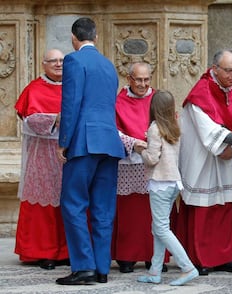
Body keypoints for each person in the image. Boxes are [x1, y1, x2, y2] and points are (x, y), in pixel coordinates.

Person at [177, 49, 232, 276]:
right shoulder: (200, 94)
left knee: (226, 207)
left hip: (228, 155)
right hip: (204, 160)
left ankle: (225, 257)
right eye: (229, 70)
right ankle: (201, 258)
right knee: (204, 209)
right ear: (215, 69)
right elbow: (207, 129)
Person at [56, 17, 125, 285]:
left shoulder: (74, 60)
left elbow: (71, 103)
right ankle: (101, 268)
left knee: (73, 204)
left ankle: (83, 267)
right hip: (109, 141)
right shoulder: (109, 65)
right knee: (103, 208)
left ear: (74, 38)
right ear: (95, 38)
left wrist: (64, 141)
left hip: (84, 141)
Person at [136, 90, 199, 286]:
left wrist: (140, 150)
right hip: (173, 182)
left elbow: (152, 158)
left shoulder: (155, 128)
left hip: (160, 183)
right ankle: (155, 271)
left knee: (161, 229)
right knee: (159, 228)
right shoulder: (175, 125)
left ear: (154, 107)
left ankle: (187, 267)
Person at [14, 49, 69, 270]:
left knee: (68, 204)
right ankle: (44, 252)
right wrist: (54, 119)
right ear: (43, 64)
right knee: (43, 206)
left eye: (62, 61)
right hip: (42, 156)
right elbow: (28, 119)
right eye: (53, 61)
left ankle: (66, 251)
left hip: (68, 155)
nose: (58, 64)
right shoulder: (34, 88)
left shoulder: (73, 86)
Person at [111, 62, 168, 273]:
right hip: (128, 163)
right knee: (129, 212)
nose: (143, 84)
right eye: (138, 80)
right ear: (129, 79)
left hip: (154, 163)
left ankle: (154, 256)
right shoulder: (118, 102)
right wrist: (132, 143)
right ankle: (127, 256)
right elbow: (113, 129)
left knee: (153, 212)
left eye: (146, 79)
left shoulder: (158, 99)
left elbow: (170, 122)